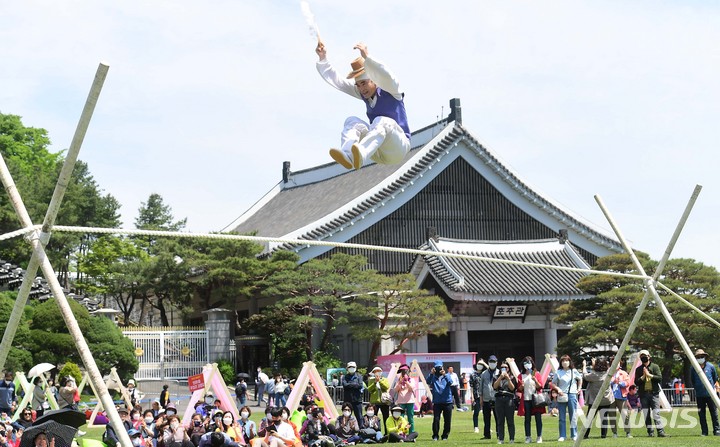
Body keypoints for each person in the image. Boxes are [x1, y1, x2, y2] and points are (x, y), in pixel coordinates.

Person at [315, 41, 411, 171]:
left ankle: (360, 153)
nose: (361, 88)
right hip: (377, 151)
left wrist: (367, 57)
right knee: (351, 121)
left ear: (374, 80)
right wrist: (323, 58)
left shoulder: (391, 90)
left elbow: (389, 76)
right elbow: (338, 81)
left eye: (364, 83)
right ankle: (349, 155)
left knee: (381, 121)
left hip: (398, 148)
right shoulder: (362, 93)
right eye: (358, 85)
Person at [634, 349, 668, 437]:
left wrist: (649, 375)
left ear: (649, 356)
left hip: (654, 394)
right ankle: (650, 432)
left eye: (645, 356)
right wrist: (643, 376)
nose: (643, 358)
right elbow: (636, 382)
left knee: (656, 413)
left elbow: (659, 378)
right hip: (643, 394)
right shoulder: (638, 369)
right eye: (641, 356)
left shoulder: (655, 366)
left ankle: (660, 431)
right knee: (646, 413)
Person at [550, 354, 582, 442]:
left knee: (573, 416)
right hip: (562, 394)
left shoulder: (574, 371)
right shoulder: (558, 372)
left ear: (569, 362)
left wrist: (579, 388)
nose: (565, 362)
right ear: (561, 362)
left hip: (572, 394)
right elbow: (553, 383)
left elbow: (580, 379)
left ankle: (574, 434)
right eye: (563, 361)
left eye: (567, 361)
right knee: (562, 417)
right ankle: (562, 435)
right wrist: (558, 389)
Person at [582, 357, 615, 439]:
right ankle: (603, 435)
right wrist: (595, 365)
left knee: (589, 418)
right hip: (606, 399)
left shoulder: (594, 375)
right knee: (604, 418)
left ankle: (585, 435)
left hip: (594, 400)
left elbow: (585, 376)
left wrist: (584, 366)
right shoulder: (608, 373)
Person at [690, 348, 720, 436]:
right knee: (701, 414)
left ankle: (717, 430)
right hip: (699, 395)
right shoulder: (693, 368)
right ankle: (704, 431)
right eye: (698, 357)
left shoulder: (710, 366)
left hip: (710, 394)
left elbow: (715, 378)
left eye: (702, 356)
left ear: (705, 357)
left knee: (714, 413)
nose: (700, 358)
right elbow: (693, 380)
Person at [517, 356, 544, 444]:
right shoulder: (521, 375)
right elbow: (519, 389)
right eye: (525, 363)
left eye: (529, 362)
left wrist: (535, 380)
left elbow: (540, 386)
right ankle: (528, 437)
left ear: (532, 363)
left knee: (538, 418)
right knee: (527, 419)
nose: (527, 364)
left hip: (536, 399)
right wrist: (522, 385)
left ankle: (539, 436)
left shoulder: (536, 374)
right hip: (526, 399)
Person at [426, 360, 453, 441]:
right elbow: (428, 381)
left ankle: (445, 435)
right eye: (437, 368)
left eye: (439, 367)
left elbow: (451, 382)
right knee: (436, 419)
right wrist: (431, 373)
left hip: (447, 401)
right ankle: (435, 435)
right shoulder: (433, 377)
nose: (438, 370)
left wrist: (445, 375)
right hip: (437, 402)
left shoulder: (447, 375)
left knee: (447, 420)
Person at [492, 361, 517, 445]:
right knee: (500, 421)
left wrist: (508, 378)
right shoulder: (496, 376)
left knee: (510, 420)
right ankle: (501, 438)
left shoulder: (512, 377)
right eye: (502, 367)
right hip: (499, 399)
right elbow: (495, 386)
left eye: (505, 367)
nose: (504, 369)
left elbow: (512, 388)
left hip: (509, 399)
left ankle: (512, 439)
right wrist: (500, 377)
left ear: (508, 368)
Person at [610, 358, 633, 438]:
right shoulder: (609, 373)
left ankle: (628, 432)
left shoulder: (623, 373)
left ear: (620, 364)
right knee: (612, 415)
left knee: (625, 414)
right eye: (614, 362)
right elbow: (605, 383)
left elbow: (627, 383)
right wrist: (612, 382)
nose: (616, 364)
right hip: (611, 397)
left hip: (621, 397)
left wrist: (620, 382)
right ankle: (614, 433)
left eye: (618, 363)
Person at [479, 355, 500, 440]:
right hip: (486, 399)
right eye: (491, 362)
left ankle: (499, 434)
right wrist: (481, 398)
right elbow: (480, 387)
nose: (492, 363)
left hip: (496, 398)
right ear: (488, 362)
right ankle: (487, 435)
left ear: (496, 363)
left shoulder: (499, 372)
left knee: (498, 418)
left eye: (494, 362)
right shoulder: (484, 373)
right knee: (486, 418)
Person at [341, 361, 366, 427]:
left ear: (356, 367)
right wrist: (354, 384)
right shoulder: (344, 377)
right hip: (347, 400)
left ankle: (361, 430)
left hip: (357, 400)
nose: (351, 368)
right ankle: (346, 431)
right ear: (347, 368)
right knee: (346, 416)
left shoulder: (359, 376)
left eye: (353, 367)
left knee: (359, 417)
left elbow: (360, 385)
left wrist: (350, 385)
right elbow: (345, 385)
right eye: (350, 367)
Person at [393, 364, 416, 433]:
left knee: (410, 418)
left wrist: (407, 382)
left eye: (405, 371)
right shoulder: (398, 380)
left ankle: (411, 433)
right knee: (401, 418)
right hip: (401, 401)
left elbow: (412, 388)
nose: (404, 373)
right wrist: (400, 382)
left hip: (410, 401)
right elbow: (395, 390)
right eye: (402, 371)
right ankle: (401, 432)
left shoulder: (411, 380)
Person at [368, 366, 390, 432]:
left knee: (386, 418)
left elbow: (386, 387)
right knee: (374, 418)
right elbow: (369, 389)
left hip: (384, 402)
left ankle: (387, 433)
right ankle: (375, 432)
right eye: (375, 371)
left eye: (379, 371)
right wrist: (375, 382)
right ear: (373, 373)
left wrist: (379, 381)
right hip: (374, 402)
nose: (377, 373)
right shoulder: (371, 380)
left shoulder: (384, 379)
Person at [469, 358, 487, 434]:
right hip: (477, 396)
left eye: (481, 365)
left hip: (485, 395)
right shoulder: (473, 375)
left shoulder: (485, 373)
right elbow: (472, 386)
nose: (480, 366)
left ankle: (487, 427)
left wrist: (484, 363)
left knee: (486, 413)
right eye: (479, 364)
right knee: (476, 412)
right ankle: (476, 427)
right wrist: (472, 396)